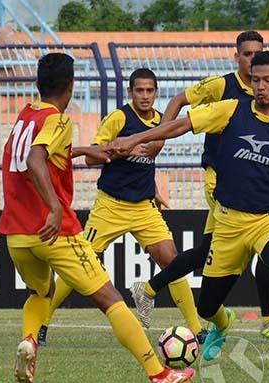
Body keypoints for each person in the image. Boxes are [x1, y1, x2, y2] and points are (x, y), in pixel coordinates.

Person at [109, 51, 269, 366]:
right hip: (227, 223)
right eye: (255, 80)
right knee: (207, 307)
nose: (260, 86)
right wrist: (135, 139)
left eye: (267, 80)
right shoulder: (231, 110)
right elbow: (180, 126)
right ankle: (221, 325)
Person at [0, 53, 193, 383]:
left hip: (16, 233)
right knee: (110, 298)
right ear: (71, 85)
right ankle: (158, 373)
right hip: (54, 229)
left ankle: (30, 339)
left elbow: (44, 153)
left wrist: (84, 148)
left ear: (38, 84)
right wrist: (55, 208)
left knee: (40, 292)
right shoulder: (58, 120)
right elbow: (35, 160)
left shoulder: (27, 116)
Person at [129, 30, 269, 344]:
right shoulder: (221, 86)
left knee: (205, 252)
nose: (253, 60)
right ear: (237, 56)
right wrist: (158, 138)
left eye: (258, 53)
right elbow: (178, 101)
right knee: (262, 242)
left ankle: (149, 289)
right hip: (221, 181)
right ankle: (267, 319)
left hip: (250, 179)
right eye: (247, 54)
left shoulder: (267, 90)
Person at [37, 68, 205, 345]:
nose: (144, 96)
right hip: (110, 207)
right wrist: (122, 150)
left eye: (149, 91)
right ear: (130, 92)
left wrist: (154, 190)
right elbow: (91, 158)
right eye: (139, 90)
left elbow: (146, 166)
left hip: (143, 208)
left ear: (156, 93)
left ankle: (197, 329)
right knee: (78, 266)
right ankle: (42, 324)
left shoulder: (161, 123)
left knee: (172, 261)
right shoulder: (119, 117)